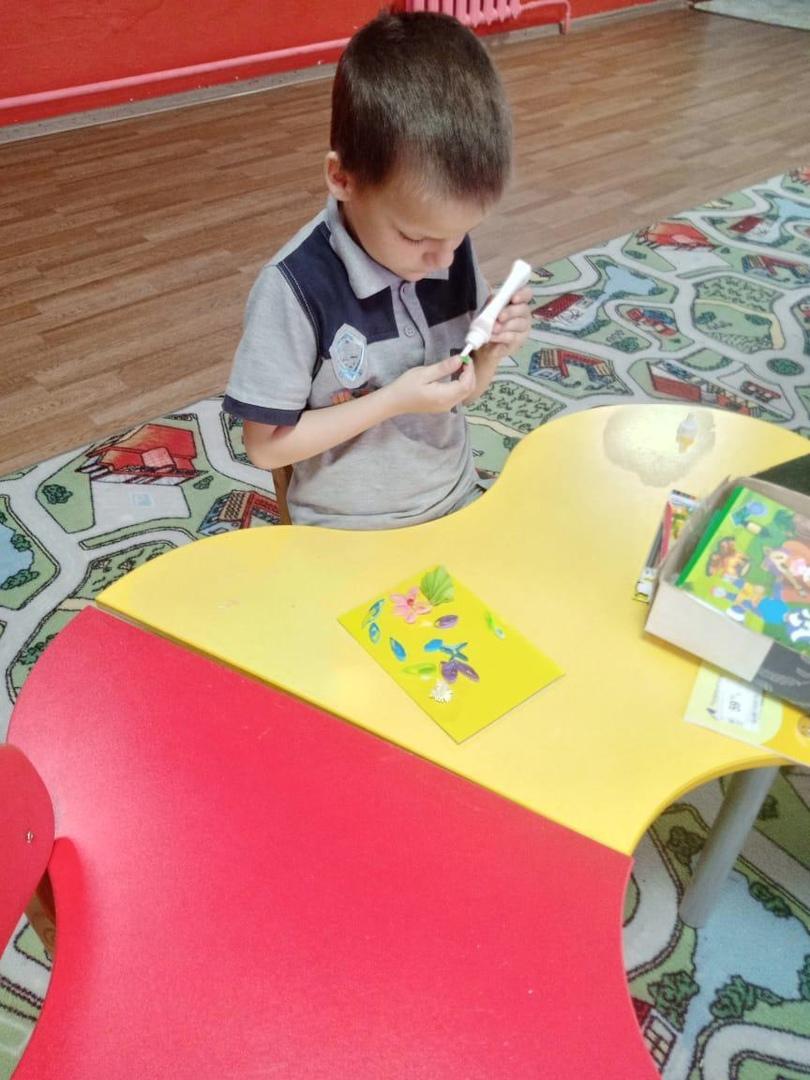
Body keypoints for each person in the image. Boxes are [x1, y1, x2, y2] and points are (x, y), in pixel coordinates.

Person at [223, 10, 532, 529]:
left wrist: (491, 352)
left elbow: (464, 390)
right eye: (415, 237)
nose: (444, 260)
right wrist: (391, 402)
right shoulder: (294, 288)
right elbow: (265, 447)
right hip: (346, 529)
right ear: (342, 178)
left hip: (454, 500)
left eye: (460, 233)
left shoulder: (444, 250)